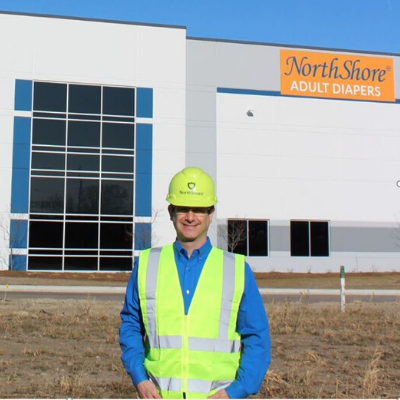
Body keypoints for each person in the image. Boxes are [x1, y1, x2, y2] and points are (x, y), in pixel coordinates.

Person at [119, 167, 271, 399]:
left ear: (211, 213)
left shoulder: (237, 269)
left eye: (198, 210)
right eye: (183, 209)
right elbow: (131, 325)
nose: (190, 217)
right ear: (171, 212)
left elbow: (257, 338)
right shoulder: (147, 264)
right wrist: (140, 379)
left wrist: (235, 391)